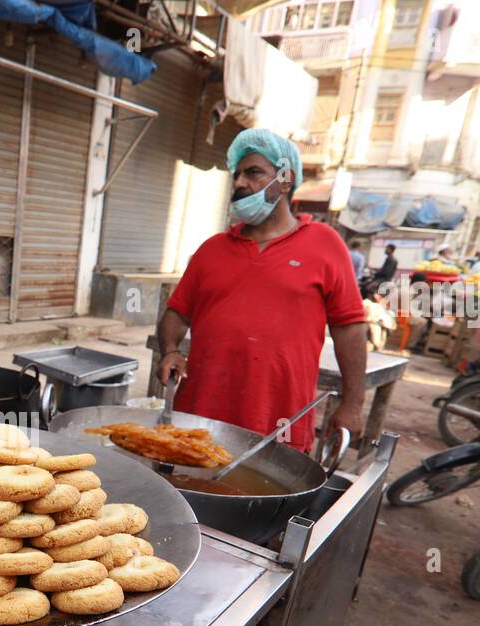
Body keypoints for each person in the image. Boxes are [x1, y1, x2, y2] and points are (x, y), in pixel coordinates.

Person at [156, 128, 367, 451]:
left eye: (253, 172)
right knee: (188, 495)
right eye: (237, 174)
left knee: (267, 498)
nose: (240, 183)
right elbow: (177, 312)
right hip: (197, 420)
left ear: (285, 179)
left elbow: (350, 328)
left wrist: (352, 404)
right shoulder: (212, 249)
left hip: (279, 424)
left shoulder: (325, 244)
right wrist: (170, 348)